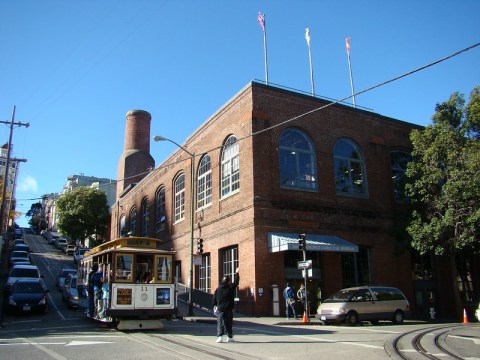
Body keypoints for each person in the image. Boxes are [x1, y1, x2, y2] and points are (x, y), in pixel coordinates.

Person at [213, 268, 239, 343]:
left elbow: (214, 298)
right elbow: (236, 283)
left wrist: (215, 305)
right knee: (229, 322)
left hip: (220, 308)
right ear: (228, 281)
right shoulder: (230, 288)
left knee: (220, 322)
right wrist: (237, 273)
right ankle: (229, 336)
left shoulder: (218, 289)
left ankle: (219, 336)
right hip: (228, 308)